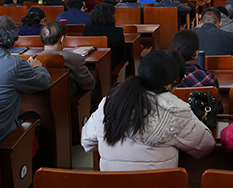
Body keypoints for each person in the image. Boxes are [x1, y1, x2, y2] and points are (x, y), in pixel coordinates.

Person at [82, 50, 215, 171]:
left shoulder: (109, 103)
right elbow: (205, 146)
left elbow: (87, 141)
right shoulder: (175, 111)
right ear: (170, 85)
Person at [39, 22, 95, 98]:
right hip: (68, 99)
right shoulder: (74, 59)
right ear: (62, 39)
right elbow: (89, 85)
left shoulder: (34, 59)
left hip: (43, 100)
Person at [83, 4, 128, 70]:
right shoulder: (117, 31)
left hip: (90, 67)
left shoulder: (86, 29)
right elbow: (122, 55)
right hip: (111, 66)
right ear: (111, 16)